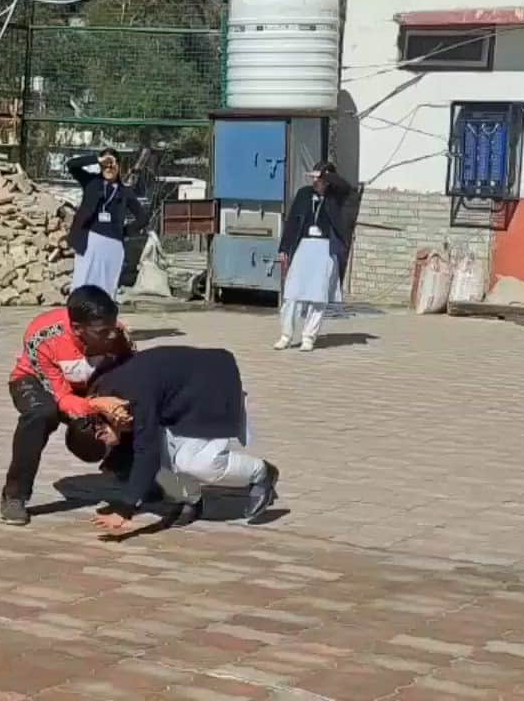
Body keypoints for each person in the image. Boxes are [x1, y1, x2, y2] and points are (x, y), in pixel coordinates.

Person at [66, 346, 279, 535]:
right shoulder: (104, 403)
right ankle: (190, 501)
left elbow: (146, 453)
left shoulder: (133, 399)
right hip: (177, 399)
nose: (112, 447)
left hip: (212, 386)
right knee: (163, 462)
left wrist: (125, 510)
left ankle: (261, 472)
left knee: (195, 463)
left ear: (100, 433)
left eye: (107, 447)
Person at [0, 285, 134, 526]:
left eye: (113, 328)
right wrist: (97, 404)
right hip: (38, 382)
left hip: (88, 386)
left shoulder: (119, 338)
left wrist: (114, 412)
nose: (111, 336)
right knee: (42, 414)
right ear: (77, 329)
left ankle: (132, 474)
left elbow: (133, 380)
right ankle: (14, 496)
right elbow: (62, 398)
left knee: (124, 412)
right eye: (102, 332)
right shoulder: (43, 335)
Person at [276, 161, 352, 351]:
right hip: (304, 245)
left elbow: (346, 187)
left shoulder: (336, 197)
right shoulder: (304, 194)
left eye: (319, 178)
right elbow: (292, 221)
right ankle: (286, 334)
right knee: (292, 292)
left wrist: (327, 176)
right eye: (314, 178)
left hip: (325, 247)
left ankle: (309, 336)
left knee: (318, 294)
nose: (315, 182)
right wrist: (284, 248)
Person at [66, 148, 148, 299]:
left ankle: (103, 319)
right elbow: (71, 164)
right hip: (89, 243)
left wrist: (123, 232)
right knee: (82, 283)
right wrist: (97, 159)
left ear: (119, 166)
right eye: (106, 164)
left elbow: (143, 218)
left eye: (113, 164)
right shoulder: (91, 182)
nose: (109, 167)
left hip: (113, 246)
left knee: (106, 289)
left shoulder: (124, 192)